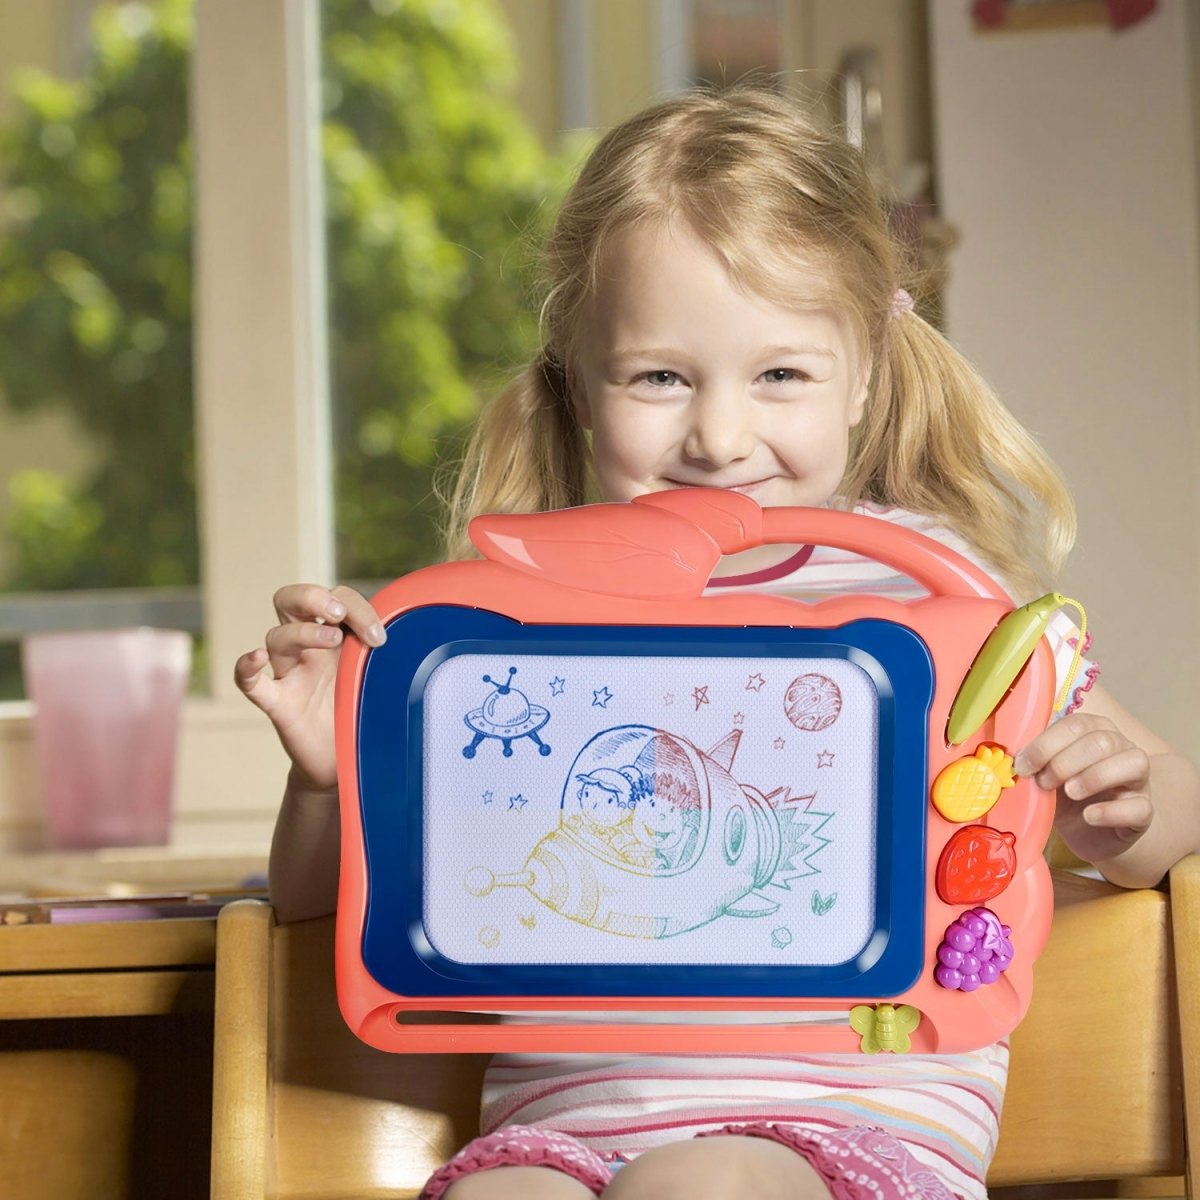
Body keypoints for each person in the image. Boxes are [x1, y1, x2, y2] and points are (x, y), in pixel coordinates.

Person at [235, 87, 1200, 1200]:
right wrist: (324, 777)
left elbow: (1170, 820)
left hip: (852, 1133)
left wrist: (1118, 803)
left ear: (870, 375)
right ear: (578, 389)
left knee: (701, 1186)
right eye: (660, 376)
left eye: (781, 373)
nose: (720, 434)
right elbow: (314, 906)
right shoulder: (512, 613)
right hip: (557, 1136)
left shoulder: (942, 601)